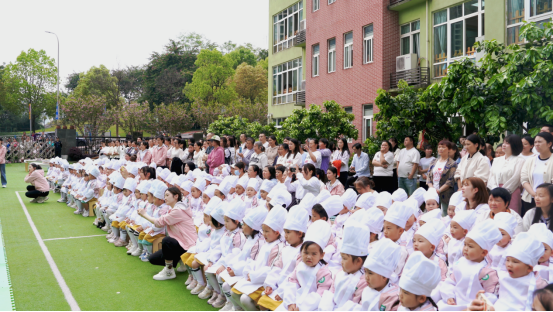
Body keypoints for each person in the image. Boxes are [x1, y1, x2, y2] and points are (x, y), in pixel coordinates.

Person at [138, 187, 197, 280]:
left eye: (167, 195)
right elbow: (160, 223)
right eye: (164, 195)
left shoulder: (178, 211)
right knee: (153, 259)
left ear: (176, 196)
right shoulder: (175, 209)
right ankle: (181, 260)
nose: (165, 198)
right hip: (181, 243)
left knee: (167, 241)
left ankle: (169, 271)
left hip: (188, 244)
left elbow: (160, 222)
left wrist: (144, 215)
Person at [487, 134, 526, 214]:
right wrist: (495, 190)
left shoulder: (520, 160)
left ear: (514, 144)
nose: (504, 145)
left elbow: (516, 178)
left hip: (511, 192)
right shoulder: (497, 160)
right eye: (504, 142)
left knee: (511, 215)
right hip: (495, 192)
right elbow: (491, 176)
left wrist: (503, 192)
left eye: (507, 143)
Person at [521, 132, 553, 216]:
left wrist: (544, 195)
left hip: (549, 200)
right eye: (535, 142)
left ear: (549, 144)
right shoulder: (530, 160)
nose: (537, 144)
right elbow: (524, 179)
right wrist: (534, 194)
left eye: (540, 142)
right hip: (530, 199)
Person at [426, 140, 458, 215]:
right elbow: (429, 176)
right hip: (432, 193)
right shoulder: (433, 161)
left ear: (449, 149)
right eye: (439, 147)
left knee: (444, 214)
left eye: (443, 147)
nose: (440, 149)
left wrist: (439, 191)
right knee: (431, 214)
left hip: (445, 194)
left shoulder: (452, 163)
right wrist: (432, 189)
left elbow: (450, 180)